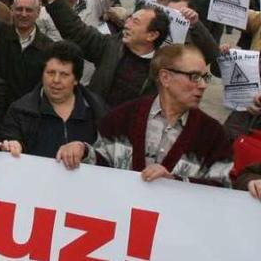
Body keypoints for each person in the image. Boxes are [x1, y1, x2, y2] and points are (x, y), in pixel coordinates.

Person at [56, 44, 233, 187]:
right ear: (165, 78)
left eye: (204, 77)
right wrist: (83, 151)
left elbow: (223, 188)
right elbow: (102, 165)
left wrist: (177, 183)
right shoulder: (121, 118)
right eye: (194, 76)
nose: (202, 85)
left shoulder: (213, 135)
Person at [38, 0, 174, 107]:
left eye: (135, 22)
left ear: (152, 35)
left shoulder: (161, 71)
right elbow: (76, 31)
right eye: (130, 18)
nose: (127, 24)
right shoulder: (110, 47)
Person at [0, 41, 107, 159]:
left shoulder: (97, 110)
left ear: (76, 79)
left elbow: (111, 155)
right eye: (50, 73)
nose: (56, 80)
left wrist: (85, 152)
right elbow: (10, 141)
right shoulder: (20, 111)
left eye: (64, 75)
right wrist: (13, 146)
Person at [0, 0, 54, 99]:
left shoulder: (48, 47)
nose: (23, 14)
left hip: (31, 110)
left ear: (38, 12)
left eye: (29, 10)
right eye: (19, 9)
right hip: (0, 106)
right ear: (12, 9)